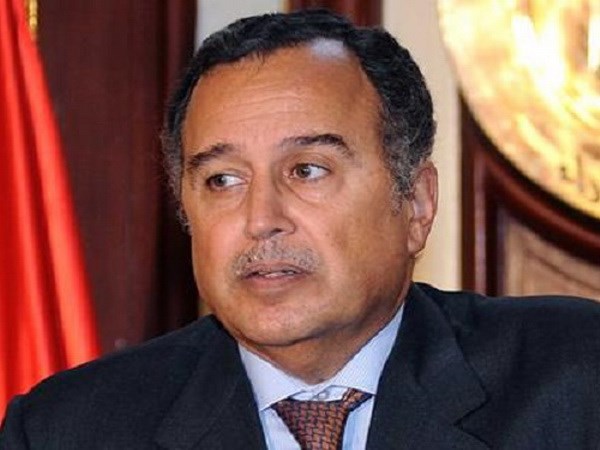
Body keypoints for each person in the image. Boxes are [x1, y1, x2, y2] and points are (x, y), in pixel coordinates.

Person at [2, 8, 600, 450]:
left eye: (307, 170)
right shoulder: (67, 430)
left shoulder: (578, 384)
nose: (261, 219)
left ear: (416, 204)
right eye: (222, 180)